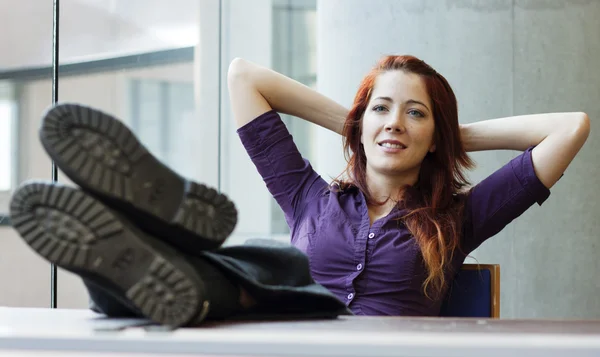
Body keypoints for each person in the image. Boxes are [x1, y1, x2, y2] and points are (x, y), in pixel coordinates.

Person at [9, 55, 590, 327]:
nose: (394, 123)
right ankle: (146, 249)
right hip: (288, 344)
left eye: (415, 114)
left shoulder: (460, 217)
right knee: (231, 278)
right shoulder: (309, 195)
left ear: (434, 136)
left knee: (230, 281)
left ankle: (156, 253)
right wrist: (359, 122)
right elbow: (245, 78)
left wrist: (448, 135)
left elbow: (572, 127)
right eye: (381, 109)